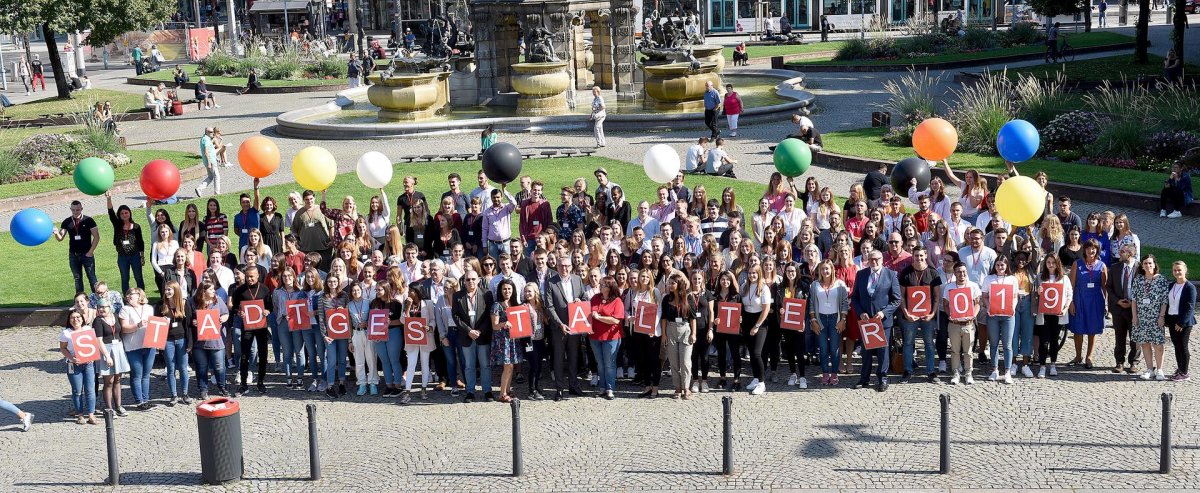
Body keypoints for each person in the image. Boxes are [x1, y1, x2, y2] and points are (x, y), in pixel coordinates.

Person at [897, 247, 942, 383]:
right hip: (910, 317)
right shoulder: (905, 273)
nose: (919, 258)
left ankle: (931, 371)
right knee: (908, 343)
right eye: (916, 256)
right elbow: (902, 297)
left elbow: (936, 297)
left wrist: (932, 314)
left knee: (929, 343)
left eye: (921, 256)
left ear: (926, 255)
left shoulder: (933, 273)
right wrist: (906, 313)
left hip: (928, 316)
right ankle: (907, 370)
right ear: (912, 256)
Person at [1068, 239, 1108, 368]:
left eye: (1094, 248)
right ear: (1084, 250)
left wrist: (1106, 304)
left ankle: (1089, 357)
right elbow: (1071, 285)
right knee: (1078, 329)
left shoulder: (1102, 266)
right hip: (1079, 299)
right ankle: (1078, 355)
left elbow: (1105, 287)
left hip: (1095, 301)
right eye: (1088, 248)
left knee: (1092, 329)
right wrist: (1071, 302)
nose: (1091, 251)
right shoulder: (1077, 264)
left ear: (1097, 250)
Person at [1130, 255, 1170, 381]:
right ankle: (1149, 369)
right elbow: (1134, 300)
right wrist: (1134, 316)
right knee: (1145, 343)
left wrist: (1161, 316)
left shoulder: (1161, 280)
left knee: (1158, 344)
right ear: (1142, 265)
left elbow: (1165, 300)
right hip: (1142, 317)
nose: (1148, 266)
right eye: (1145, 263)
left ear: (1154, 264)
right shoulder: (1138, 280)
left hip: (1156, 317)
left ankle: (1159, 369)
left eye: (1150, 263)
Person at [61, 310, 103, 424]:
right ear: (69, 320)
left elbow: (94, 345)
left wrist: (92, 356)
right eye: (73, 318)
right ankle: (79, 414)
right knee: (77, 391)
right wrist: (72, 358)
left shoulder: (88, 330)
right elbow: (63, 349)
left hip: (89, 364)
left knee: (90, 390)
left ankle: (91, 414)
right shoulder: (66, 333)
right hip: (73, 365)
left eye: (78, 317)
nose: (76, 320)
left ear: (82, 318)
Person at [943, 261, 981, 384]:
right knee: (955, 350)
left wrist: (973, 315)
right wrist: (950, 316)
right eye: (959, 272)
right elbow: (946, 305)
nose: (962, 274)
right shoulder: (949, 287)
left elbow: (977, 304)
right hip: (954, 324)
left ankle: (968, 373)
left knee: (968, 351)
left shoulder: (973, 286)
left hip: (968, 324)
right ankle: (955, 373)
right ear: (954, 273)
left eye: (964, 271)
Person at [590, 276, 625, 400]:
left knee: (609, 363)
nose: (600, 286)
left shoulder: (617, 301)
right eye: (600, 284)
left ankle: (610, 388)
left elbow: (616, 320)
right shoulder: (595, 298)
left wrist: (599, 317)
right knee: (600, 363)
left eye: (603, 284)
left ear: (610, 287)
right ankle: (602, 387)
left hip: (611, 337)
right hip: (595, 336)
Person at [55, 200, 101, 294]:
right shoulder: (67, 221)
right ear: (70, 209)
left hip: (87, 254)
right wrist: (56, 233)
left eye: (78, 210)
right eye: (73, 210)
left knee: (92, 277)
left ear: (81, 209)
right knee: (77, 278)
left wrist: (90, 252)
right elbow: (60, 238)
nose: (75, 212)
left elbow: (96, 237)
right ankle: (79, 300)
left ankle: (97, 300)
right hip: (73, 255)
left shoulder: (88, 220)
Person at [106, 192, 146, 293]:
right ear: (119, 215)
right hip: (122, 256)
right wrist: (109, 199)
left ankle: (142, 296)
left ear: (130, 213)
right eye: (122, 213)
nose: (124, 215)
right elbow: (111, 212)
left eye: (126, 212)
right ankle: (126, 297)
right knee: (124, 278)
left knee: (139, 278)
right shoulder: (117, 225)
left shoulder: (136, 227)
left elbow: (141, 242)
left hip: (135, 256)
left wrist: (142, 256)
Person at [1165, 261, 1195, 381]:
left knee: (1183, 347)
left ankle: (1184, 372)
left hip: (1184, 322)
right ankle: (1180, 368)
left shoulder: (1189, 287)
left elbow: (1190, 307)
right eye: (1175, 270)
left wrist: (1181, 322)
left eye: (1179, 270)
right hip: (1172, 319)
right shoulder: (1172, 285)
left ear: (1185, 271)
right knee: (1176, 346)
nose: (1177, 272)